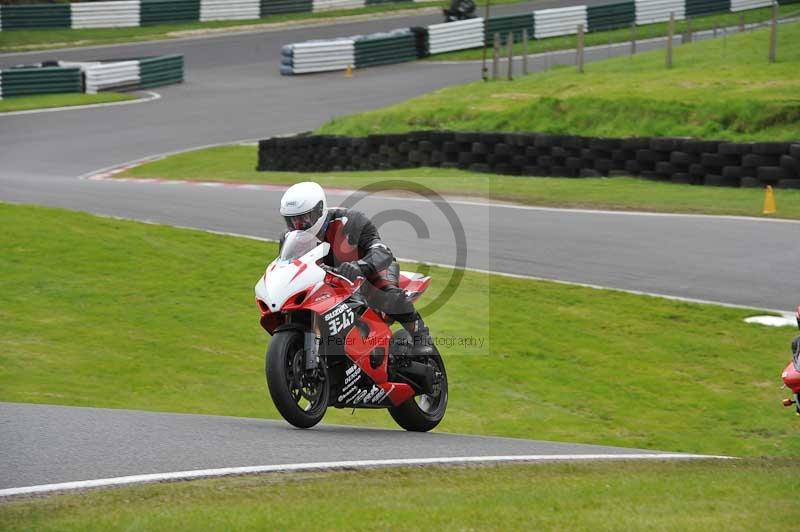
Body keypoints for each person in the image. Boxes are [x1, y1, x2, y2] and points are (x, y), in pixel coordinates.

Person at [278, 181, 434, 357]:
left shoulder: (350, 221)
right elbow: (289, 268)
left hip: (370, 271)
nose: (298, 224)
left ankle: (420, 335)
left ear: (318, 211)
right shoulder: (289, 238)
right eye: (291, 220)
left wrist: (359, 266)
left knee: (386, 293)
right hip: (331, 283)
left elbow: (382, 251)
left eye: (303, 218)